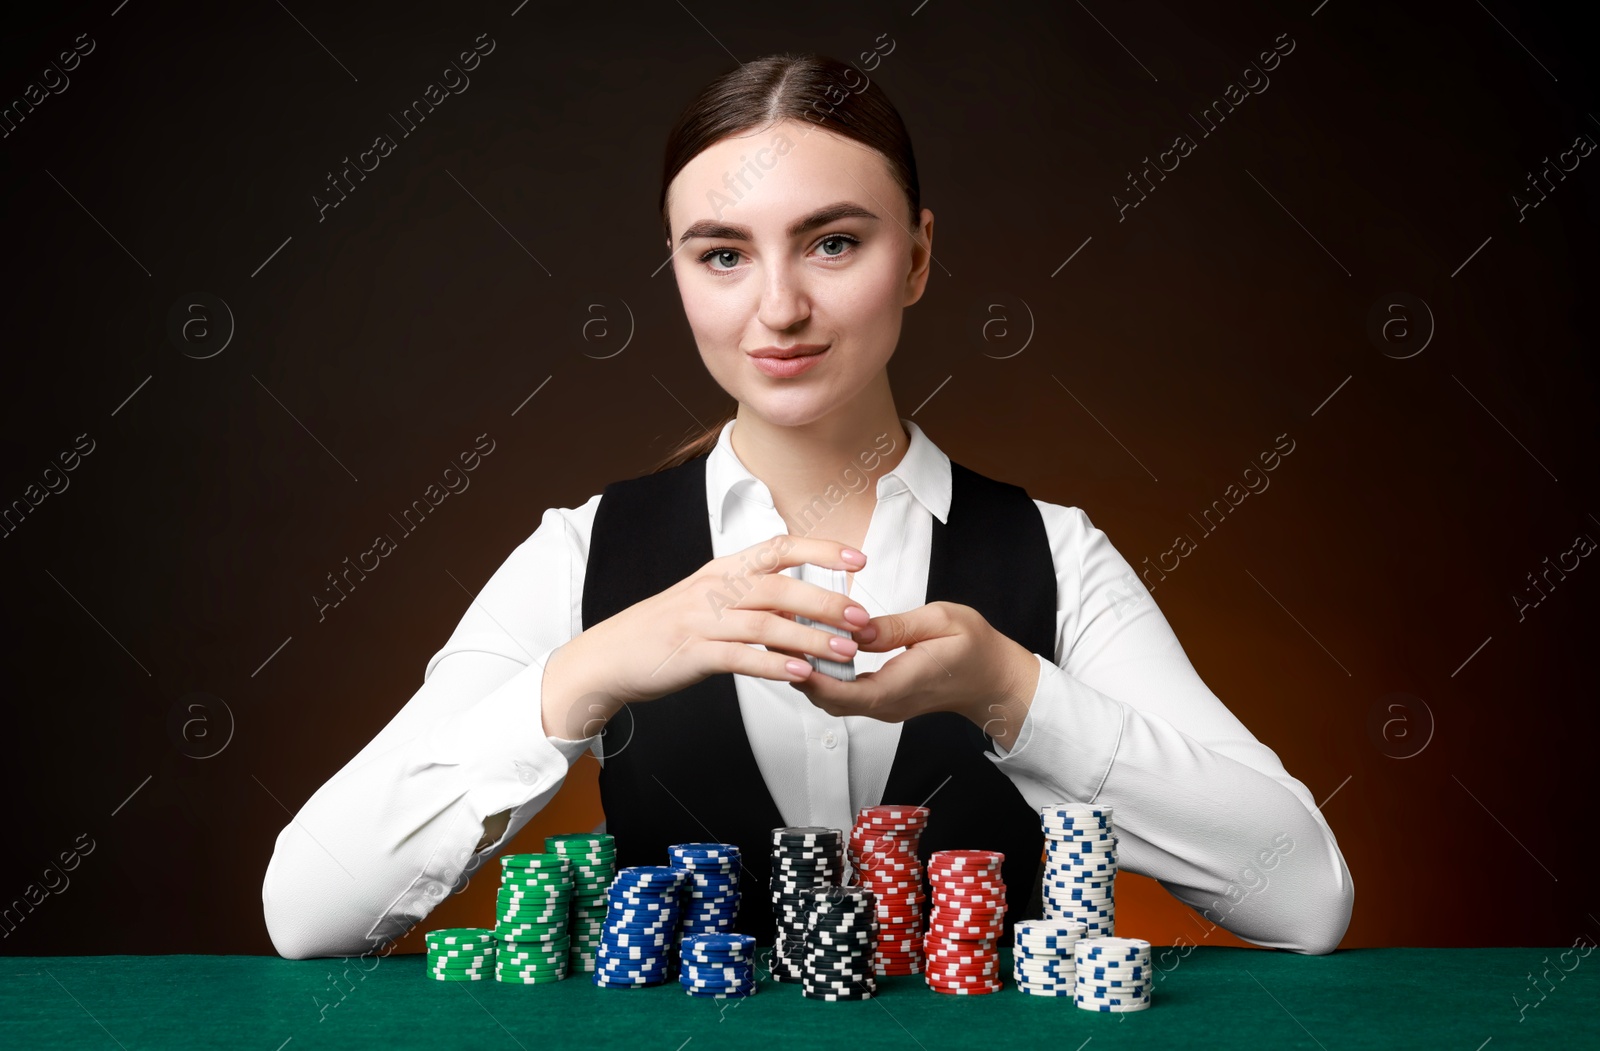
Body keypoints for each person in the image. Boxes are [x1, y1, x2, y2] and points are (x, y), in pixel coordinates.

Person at [263, 52, 1353, 961]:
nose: (778, 307)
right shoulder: (580, 557)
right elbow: (308, 912)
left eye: (835, 242)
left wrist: (1012, 692)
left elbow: (1304, 897)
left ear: (917, 255)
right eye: (723, 255)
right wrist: (588, 671)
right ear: (679, 276)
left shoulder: (1054, 556)